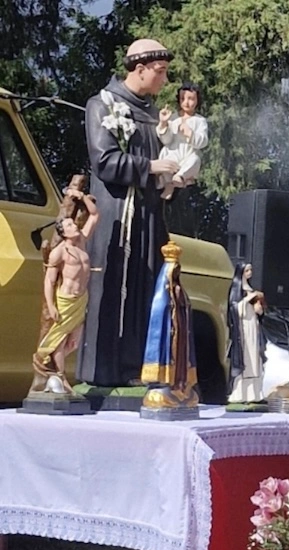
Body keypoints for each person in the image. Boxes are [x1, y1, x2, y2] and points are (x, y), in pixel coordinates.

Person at [78, 38, 180, 388]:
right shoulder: (102, 105)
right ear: (139, 69)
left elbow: (158, 165)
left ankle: (139, 366)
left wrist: (170, 177)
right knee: (114, 288)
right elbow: (103, 161)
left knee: (146, 287)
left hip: (150, 218)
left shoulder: (152, 114)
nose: (165, 81)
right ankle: (104, 371)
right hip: (118, 217)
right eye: (160, 72)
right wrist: (150, 165)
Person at [33, 192, 99, 393]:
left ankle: (52, 368)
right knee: (60, 340)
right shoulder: (59, 252)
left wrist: (82, 196)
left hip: (81, 299)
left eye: (74, 224)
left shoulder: (83, 241)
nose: (75, 227)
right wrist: (51, 305)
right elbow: (49, 281)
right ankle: (61, 378)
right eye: (70, 226)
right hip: (65, 300)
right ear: (63, 232)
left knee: (74, 342)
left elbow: (95, 215)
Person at [140, 240, 200, 407]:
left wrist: (181, 300)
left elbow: (186, 308)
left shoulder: (180, 289)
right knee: (168, 356)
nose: (176, 275)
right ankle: (164, 383)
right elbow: (160, 312)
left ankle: (180, 385)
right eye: (174, 271)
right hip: (168, 332)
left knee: (181, 358)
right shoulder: (162, 293)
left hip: (179, 331)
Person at [157, 82, 209, 200]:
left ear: (197, 100)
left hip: (188, 154)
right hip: (173, 153)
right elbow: (166, 140)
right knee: (166, 161)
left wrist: (190, 134)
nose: (186, 102)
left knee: (195, 160)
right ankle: (168, 185)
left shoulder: (199, 121)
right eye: (182, 98)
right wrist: (164, 123)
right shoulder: (173, 118)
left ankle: (180, 177)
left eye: (190, 99)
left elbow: (203, 141)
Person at [227, 262, 267, 403]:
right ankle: (240, 394)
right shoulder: (237, 289)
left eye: (251, 269)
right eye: (247, 270)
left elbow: (258, 313)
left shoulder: (251, 289)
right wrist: (248, 299)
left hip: (253, 327)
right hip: (243, 329)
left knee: (255, 359)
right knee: (245, 359)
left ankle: (254, 394)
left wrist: (259, 310)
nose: (250, 272)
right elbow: (234, 309)